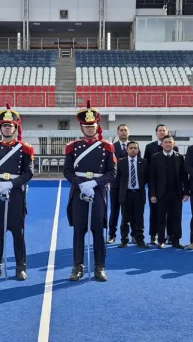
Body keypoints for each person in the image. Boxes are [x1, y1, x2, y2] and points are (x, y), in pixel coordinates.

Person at [63, 101, 116, 281]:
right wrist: (80, 184)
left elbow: (112, 172)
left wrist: (94, 183)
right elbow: (67, 171)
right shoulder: (72, 146)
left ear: (97, 126)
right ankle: (77, 267)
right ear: (81, 127)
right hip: (79, 193)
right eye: (86, 126)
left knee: (98, 231)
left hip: (98, 193)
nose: (90, 129)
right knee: (79, 231)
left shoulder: (107, 146)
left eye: (92, 126)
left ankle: (100, 267)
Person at [0, 105, 34, 281]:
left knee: (18, 233)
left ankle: (21, 267)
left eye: (10, 125)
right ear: (0, 128)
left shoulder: (25, 149)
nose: (7, 128)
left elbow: (29, 173)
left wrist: (12, 184)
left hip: (16, 195)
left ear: (15, 128)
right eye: (4, 125)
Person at [149, 134, 188, 249]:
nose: (167, 144)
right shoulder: (155, 157)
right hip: (161, 194)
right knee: (161, 217)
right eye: (165, 142)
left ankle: (175, 239)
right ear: (162, 144)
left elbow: (184, 176)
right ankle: (161, 240)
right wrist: (152, 194)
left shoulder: (179, 157)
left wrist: (186, 192)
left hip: (176, 193)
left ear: (173, 144)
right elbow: (152, 178)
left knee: (176, 217)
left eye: (170, 142)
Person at [144, 123, 178, 244]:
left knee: (171, 214)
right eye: (160, 130)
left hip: (172, 189)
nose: (162, 132)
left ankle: (169, 235)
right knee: (155, 213)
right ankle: (154, 235)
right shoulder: (150, 147)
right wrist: (151, 189)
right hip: (156, 188)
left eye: (164, 130)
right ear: (156, 133)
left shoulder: (175, 149)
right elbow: (148, 168)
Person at [108, 124, 139, 244]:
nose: (123, 132)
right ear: (117, 132)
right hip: (116, 185)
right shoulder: (112, 147)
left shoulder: (134, 147)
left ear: (128, 132)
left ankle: (134, 235)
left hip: (130, 186)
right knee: (114, 211)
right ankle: (112, 235)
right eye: (121, 130)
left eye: (125, 130)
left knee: (130, 212)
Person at [114, 141, 149, 248]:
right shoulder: (121, 162)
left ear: (138, 150)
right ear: (127, 150)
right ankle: (124, 240)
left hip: (139, 194)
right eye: (131, 148)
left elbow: (147, 178)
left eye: (135, 148)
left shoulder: (144, 162)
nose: (133, 150)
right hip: (126, 194)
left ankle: (140, 239)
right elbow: (118, 178)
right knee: (125, 218)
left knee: (139, 218)